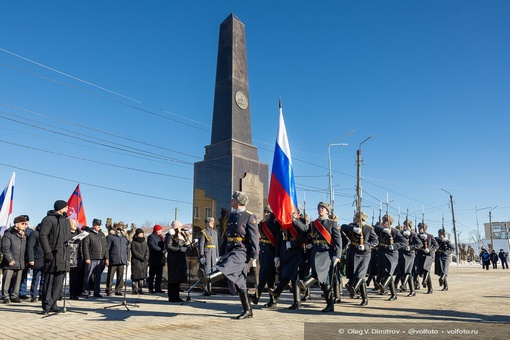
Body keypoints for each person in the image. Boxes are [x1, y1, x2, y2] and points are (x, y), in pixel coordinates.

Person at [198, 191, 259, 319]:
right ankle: (248, 311)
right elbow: (226, 235)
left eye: (233, 199)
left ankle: (207, 278)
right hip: (231, 249)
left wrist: (254, 254)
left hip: (242, 250)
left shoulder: (249, 216)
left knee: (227, 265)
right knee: (241, 282)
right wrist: (220, 253)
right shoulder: (231, 216)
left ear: (239, 202)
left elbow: (254, 237)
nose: (231, 200)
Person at [295, 202, 342, 313]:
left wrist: (337, 256)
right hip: (315, 253)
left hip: (327, 253)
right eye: (319, 208)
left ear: (327, 211)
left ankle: (329, 305)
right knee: (318, 276)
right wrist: (295, 220)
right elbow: (305, 229)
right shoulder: (314, 223)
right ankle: (305, 286)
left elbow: (338, 241)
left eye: (322, 208)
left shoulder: (332, 224)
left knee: (325, 280)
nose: (320, 209)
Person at [268, 209, 308, 310]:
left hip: (297, 251)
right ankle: (296, 302)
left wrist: (294, 220)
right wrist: (277, 255)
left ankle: (278, 292)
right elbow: (279, 239)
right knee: (292, 275)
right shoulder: (282, 222)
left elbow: (305, 234)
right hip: (285, 251)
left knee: (292, 274)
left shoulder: (301, 221)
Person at [39, 200, 71, 314]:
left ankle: (54, 303)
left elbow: (67, 238)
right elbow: (43, 236)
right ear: (60, 208)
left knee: (59, 282)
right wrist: (47, 252)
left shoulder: (66, 221)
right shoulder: (48, 219)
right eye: (66, 207)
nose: (67, 209)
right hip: (52, 255)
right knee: (49, 281)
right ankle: (46, 305)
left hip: (63, 256)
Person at [341, 211, 378, 306]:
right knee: (356, 275)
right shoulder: (352, 226)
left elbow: (375, 241)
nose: (354, 218)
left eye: (356, 217)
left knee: (360, 275)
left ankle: (359, 293)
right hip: (353, 252)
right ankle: (362, 296)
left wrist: (366, 246)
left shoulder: (369, 229)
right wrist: (354, 229)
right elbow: (343, 227)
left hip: (364, 254)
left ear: (361, 219)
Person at [249, 206, 280, 307]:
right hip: (263, 252)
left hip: (271, 253)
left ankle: (258, 297)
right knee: (267, 277)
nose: (266, 214)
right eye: (265, 212)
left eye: (268, 212)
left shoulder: (275, 224)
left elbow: (278, 241)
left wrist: (277, 256)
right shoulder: (262, 224)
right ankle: (271, 300)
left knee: (266, 277)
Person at [373, 214, 407, 301]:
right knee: (385, 273)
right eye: (383, 221)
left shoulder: (395, 231)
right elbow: (374, 227)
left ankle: (383, 286)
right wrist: (383, 229)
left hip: (392, 254)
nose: (384, 222)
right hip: (382, 253)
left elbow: (404, 242)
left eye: (385, 221)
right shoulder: (380, 230)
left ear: (389, 222)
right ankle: (393, 294)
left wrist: (395, 246)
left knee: (389, 272)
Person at [1, 215, 28, 303]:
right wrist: (10, 259)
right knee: (7, 280)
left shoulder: (24, 235)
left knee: (17, 281)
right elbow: (5, 248)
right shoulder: (9, 234)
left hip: (20, 262)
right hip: (10, 262)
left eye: (25, 223)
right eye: (23, 223)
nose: (25, 225)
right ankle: (5, 296)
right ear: (16, 224)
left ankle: (15, 296)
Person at [82, 218, 108, 298]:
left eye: (99, 225)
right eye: (97, 225)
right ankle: (86, 291)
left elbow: (105, 247)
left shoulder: (102, 235)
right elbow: (85, 247)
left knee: (98, 277)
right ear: (93, 225)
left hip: (100, 259)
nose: (99, 226)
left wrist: (106, 258)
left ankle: (97, 292)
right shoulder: (89, 234)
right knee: (88, 276)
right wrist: (87, 257)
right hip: (91, 258)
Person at [396, 219, 422, 297]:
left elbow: (419, 244)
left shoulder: (413, 234)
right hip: (401, 254)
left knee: (408, 271)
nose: (404, 226)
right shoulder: (401, 233)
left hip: (410, 255)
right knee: (403, 272)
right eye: (404, 225)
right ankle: (412, 290)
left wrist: (411, 247)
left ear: (410, 226)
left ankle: (404, 286)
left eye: (406, 225)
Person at [165, 220, 188, 302]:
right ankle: (172, 296)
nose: (181, 228)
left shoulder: (181, 235)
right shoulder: (169, 235)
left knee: (178, 279)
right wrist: (179, 249)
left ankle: (177, 296)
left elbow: (183, 245)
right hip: (173, 259)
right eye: (180, 227)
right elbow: (168, 246)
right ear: (176, 227)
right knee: (173, 278)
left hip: (180, 259)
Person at [105, 222, 129, 296]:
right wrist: (107, 258)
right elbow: (107, 249)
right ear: (114, 228)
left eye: (120, 227)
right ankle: (108, 289)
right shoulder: (111, 237)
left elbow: (127, 249)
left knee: (120, 276)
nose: (119, 228)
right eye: (117, 227)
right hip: (113, 259)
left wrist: (127, 258)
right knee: (111, 275)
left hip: (122, 259)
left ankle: (118, 289)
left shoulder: (124, 238)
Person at [198, 217, 219, 296]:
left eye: (213, 222)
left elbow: (216, 245)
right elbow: (201, 245)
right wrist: (201, 255)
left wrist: (217, 255)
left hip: (213, 254)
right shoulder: (203, 232)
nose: (212, 223)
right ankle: (205, 289)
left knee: (212, 272)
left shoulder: (215, 232)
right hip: (206, 254)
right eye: (211, 222)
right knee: (206, 272)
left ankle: (210, 289)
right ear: (207, 223)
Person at [416, 223, 439, 294]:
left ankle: (425, 282)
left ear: (424, 229)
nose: (419, 229)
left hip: (429, 255)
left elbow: (436, 245)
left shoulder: (430, 236)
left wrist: (429, 249)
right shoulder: (417, 236)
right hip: (420, 255)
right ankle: (429, 287)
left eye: (421, 228)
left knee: (426, 269)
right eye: (419, 227)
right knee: (423, 271)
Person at [26, 223, 44, 302]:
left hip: (45, 259)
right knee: (36, 278)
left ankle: (42, 295)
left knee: (44, 279)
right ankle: (33, 295)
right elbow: (30, 246)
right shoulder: (35, 233)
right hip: (37, 259)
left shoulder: (46, 234)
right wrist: (31, 259)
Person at [68, 219, 85, 299]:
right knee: (69, 277)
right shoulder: (66, 232)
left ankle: (76, 292)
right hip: (69, 257)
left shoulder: (79, 233)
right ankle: (69, 294)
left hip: (78, 257)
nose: (75, 225)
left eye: (76, 224)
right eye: (73, 223)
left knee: (77, 276)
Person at [148, 224, 166, 294]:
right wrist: (161, 250)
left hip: (161, 258)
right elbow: (152, 246)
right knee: (152, 275)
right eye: (159, 231)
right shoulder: (151, 237)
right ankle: (150, 288)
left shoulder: (161, 237)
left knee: (159, 275)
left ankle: (158, 288)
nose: (160, 232)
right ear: (156, 230)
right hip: (154, 258)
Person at [131, 228, 149, 294]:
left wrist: (146, 257)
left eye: (142, 233)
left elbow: (147, 250)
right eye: (140, 233)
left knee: (142, 276)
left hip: (143, 262)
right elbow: (134, 252)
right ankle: (135, 289)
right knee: (136, 276)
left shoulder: (144, 242)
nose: (141, 235)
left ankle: (140, 288)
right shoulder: (134, 242)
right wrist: (141, 258)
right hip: (136, 261)